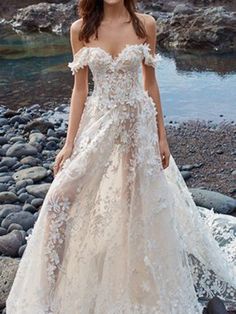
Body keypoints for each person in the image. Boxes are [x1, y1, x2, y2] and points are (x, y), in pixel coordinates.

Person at [6, 0, 236, 313]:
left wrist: (162, 136)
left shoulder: (146, 24)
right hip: (98, 123)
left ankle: (131, 285)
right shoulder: (80, 29)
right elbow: (79, 90)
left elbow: (150, 84)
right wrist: (69, 143)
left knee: (133, 205)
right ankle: (49, 293)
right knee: (60, 197)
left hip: (136, 124)